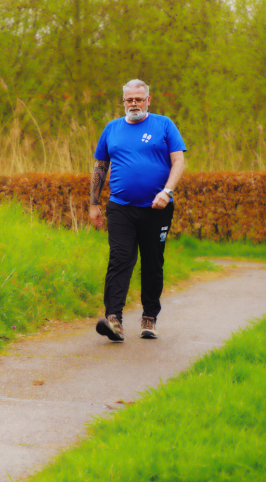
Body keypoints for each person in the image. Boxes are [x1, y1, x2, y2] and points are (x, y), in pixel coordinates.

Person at [89, 79, 186, 342]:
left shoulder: (164, 124)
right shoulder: (112, 129)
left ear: (148, 100)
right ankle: (114, 320)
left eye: (138, 99)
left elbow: (179, 161)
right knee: (120, 259)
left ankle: (149, 317)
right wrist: (93, 203)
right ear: (123, 101)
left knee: (153, 263)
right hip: (121, 207)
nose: (134, 103)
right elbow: (100, 167)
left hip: (158, 209)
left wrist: (167, 191)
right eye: (129, 99)